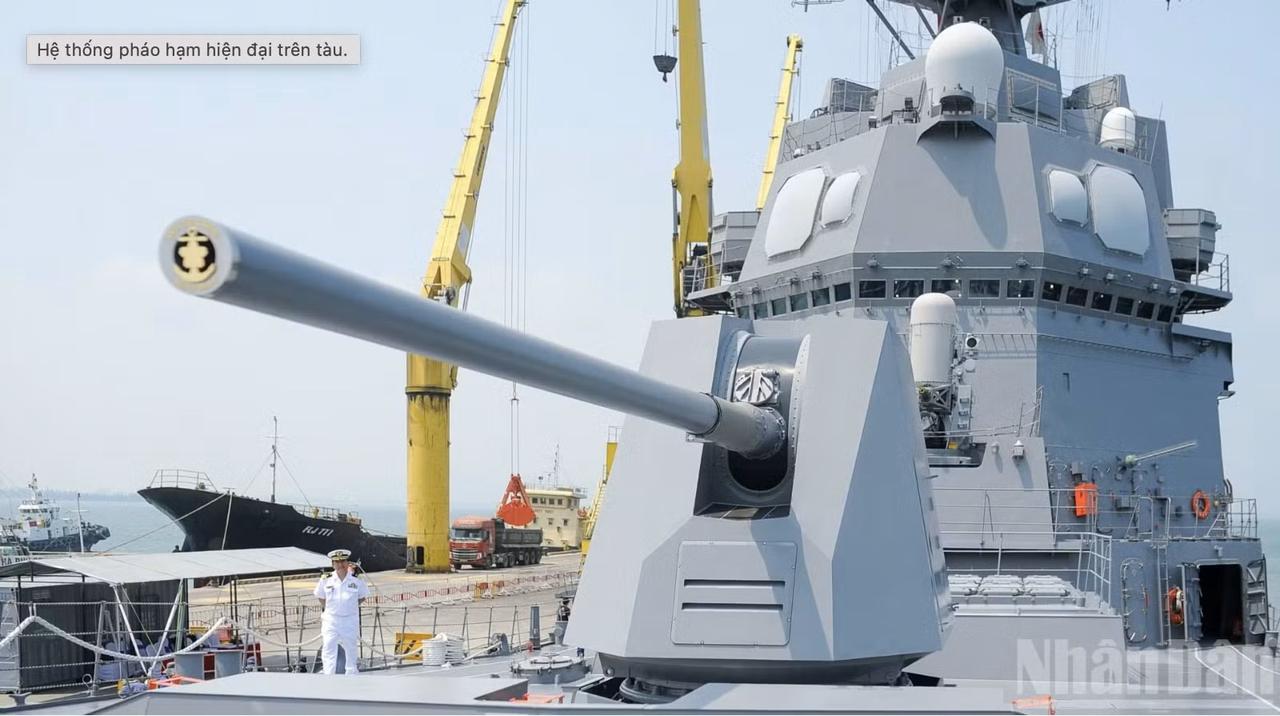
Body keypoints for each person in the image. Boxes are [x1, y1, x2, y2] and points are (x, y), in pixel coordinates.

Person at [313, 548, 369, 674]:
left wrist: (349, 607)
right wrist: (331, 608)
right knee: (328, 648)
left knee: (351, 649)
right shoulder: (326, 579)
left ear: (347, 562)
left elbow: (362, 596)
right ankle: (329, 676)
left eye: (343, 561)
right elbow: (320, 596)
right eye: (337, 562)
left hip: (349, 619)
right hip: (331, 620)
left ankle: (351, 676)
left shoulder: (356, 580)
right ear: (333, 564)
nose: (340, 565)